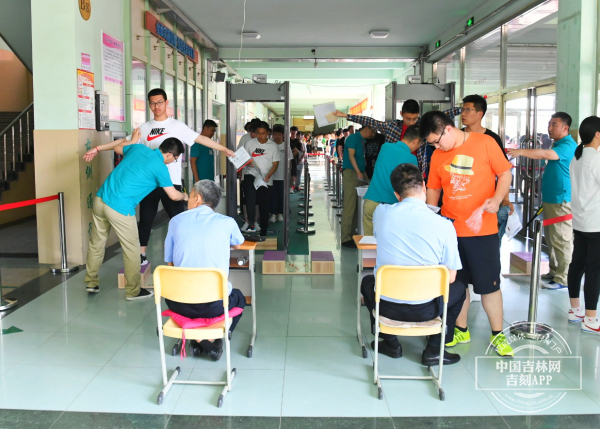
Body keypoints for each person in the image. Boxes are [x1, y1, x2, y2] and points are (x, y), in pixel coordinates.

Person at [84, 88, 234, 266]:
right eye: (153, 103)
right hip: (149, 184)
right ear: (149, 104)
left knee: (179, 219)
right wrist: (98, 148)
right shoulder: (144, 128)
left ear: (166, 103)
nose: (156, 106)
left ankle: (182, 253)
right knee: (146, 219)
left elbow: (200, 139)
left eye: (160, 102)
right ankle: (141, 255)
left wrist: (224, 149)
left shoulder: (177, 126)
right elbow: (122, 143)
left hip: (171, 182)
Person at [422, 111, 514, 356]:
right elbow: (433, 189)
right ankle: (460, 329)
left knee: (489, 286)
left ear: (448, 129)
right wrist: (431, 218)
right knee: (456, 285)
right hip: (451, 231)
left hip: (482, 230)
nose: (436, 147)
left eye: (436, 141)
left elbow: (505, 173)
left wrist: (497, 198)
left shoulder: (485, 143)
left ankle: (498, 335)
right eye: (432, 144)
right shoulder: (438, 156)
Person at [361, 163, 465, 365]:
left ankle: (391, 343)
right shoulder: (444, 225)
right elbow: (451, 277)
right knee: (459, 289)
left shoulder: (381, 213)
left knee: (367, 283)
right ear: (424, 186)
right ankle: (435, 349)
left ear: (396, 194)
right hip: (427, 308)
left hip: (387, 306)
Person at [83, 135, 187, 300]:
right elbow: (173, 195)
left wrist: (131, 140)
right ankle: (133, 291)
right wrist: (185, 196)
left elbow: (117, 147)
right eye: (175, 159)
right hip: (119, 207)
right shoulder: (160, 168)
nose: (172, 162)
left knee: (96, 243)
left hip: (101, 199)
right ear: (169, 154)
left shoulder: (138, 148)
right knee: (132, 249)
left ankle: (91, 282)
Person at [164, 180, 246, 360]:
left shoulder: (175, 222)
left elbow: (170, 264)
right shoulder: (227, 222)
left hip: (179, 303)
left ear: (198, 199)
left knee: (170, 294)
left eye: (190, 196)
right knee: (239, 298)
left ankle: (199, 341)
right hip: (214, 306)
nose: (188, 200)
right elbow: (238, 244)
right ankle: (211, 340)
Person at [508, 112, 577, 291]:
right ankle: (554, 272)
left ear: (565, 128)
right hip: (551, 199)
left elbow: (545, 154)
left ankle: (564, 278)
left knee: (561, 239)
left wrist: (520, 151)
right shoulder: (558, 144)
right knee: (552, 239)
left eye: (554, 124)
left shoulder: (568, 145)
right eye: (549, 124)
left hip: (561, 200)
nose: (550, 128)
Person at [334, 101, 462, 181]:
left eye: (414, 118)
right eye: (408, 119)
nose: (412, 122)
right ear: (401, 114)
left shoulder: (421, 126)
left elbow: (443, 114)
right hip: (394, 172)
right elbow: (370, 121)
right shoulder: (392, 127)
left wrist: (463, 109)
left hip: (416, 173)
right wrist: (345, 115)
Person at [461, 95, 514, 242]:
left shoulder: (492, 139)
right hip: (461, 199)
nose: (463, 114)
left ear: (480, 114)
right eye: (462, 110)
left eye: (468, 110)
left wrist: (505, 199)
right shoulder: (458, 136)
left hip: (486, 201)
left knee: (488, 239)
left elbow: (503, 171)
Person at [567, 116, 600, 333]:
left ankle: (575, 309)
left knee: (577, 264)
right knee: (594, 271)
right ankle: (590, 318)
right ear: (597, 134)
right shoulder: (595, 159)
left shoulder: (577, 158)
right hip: (595, 223)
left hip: (579, 221)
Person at [363, 125, 421, 236]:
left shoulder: (385, 147)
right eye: (419, 145)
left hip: (371, 202)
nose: (418, 148)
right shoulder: (412, 159)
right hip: (392, 208)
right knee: (389, 244)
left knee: (369, 244)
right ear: (415, 141)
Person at [242, 121, 281, 235]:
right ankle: (251, 222)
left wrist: (269, 175)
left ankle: (263, 230)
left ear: (268, 133)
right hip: (251, 173)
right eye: (258, 133)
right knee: (249, 195)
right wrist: (246, 163)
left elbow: (275, 164)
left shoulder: (273, 146)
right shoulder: (249, 143)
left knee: (264, 204)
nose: (260, 136)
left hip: (266, 177)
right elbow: (242, 158)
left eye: (263, 133)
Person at [340, 125, 375, 248]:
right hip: (351, 173)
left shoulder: (362, 140)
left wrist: (364, 175)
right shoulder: (352, 138)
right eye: (372, 131)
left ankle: (352, 234)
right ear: (367, 128)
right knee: (350, 205)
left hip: (359, 173)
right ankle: (345, 238)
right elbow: (351, 156)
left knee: (356, 206)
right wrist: (358, 172)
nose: (373, 134)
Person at [270, 124, 292, 223]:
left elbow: (289, 161)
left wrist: (289, 174)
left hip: (282, 176)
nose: (277, 136)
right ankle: (273, 214)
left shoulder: (286, 146)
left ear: (282, 135)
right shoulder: (269, 145)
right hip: (271, 175)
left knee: (281, 196)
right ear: (272, 135)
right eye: (275, 134)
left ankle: (280, 213)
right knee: (272, 196)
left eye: (279, 134)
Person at [290, 126, 302, 193]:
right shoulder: (287, 140)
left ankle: (292, 186)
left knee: (293, 173)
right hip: (288, 158)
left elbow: (300, 151)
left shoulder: (298, 141)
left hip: (294, 159)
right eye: (292, 131)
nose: (293, 132)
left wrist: (300, 159)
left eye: (295, 131)